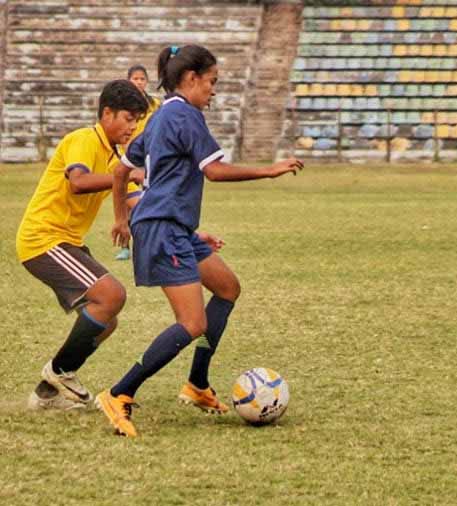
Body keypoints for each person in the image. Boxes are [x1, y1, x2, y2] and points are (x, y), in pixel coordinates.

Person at [96, 44, 303, 437]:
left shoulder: (159, 118)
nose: (214, 91)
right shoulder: (185, 116)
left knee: (227, 288)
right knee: (192, 322)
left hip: (172, 227)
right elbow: (215, 171)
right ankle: (120, 393)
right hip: (162, 229)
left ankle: (197, 384)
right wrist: (269, 171)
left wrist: (123, 218)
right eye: (212, 82)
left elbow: (123, 171)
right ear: (190, 79)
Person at [16, 80, 148, 410]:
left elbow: (136, 202)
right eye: (128, 118)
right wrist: (124, 176)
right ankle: (59, 371)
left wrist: (188, 233)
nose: (132, 127)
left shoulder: (115, 156)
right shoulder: (84, 139)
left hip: (66, 242)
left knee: (107, 318)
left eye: (136, 120)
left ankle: (47, 394)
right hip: (42, 238)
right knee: (112, 295)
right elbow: (78, 182)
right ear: (107, 113)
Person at [114, 65, 163, 261]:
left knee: (145, 201)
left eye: (142, 79)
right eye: (135, 79)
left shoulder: (156, 105)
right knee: (127, 202)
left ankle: (146, 242)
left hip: (148, 157)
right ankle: (125, 246)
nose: (139, 82)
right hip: (128, 158)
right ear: (128, 81)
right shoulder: (122, 106)